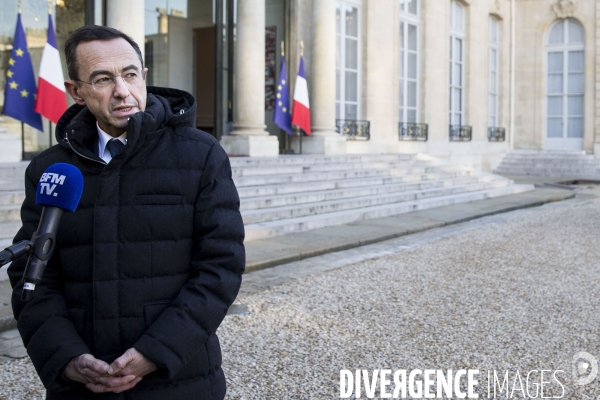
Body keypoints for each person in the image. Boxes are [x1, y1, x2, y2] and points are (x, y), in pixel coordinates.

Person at [8, 25, 245, 399]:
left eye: (130, 75)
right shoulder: (50, 170)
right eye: (103, 79)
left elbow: (221, 266)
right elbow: (32, 276)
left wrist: (155, 351)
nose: (122, 91)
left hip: (179, 380)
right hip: (82, 385)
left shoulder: (200, 155)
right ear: (76, 91)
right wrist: (66, 357)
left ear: (144, 76)